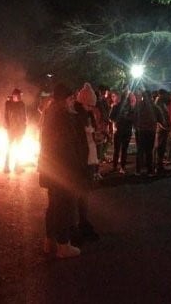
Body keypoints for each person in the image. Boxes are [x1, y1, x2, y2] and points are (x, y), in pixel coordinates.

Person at [38, 83, 87, 258]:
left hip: (51, 167)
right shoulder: (63, 117)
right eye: (71, 98)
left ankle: (49, 242)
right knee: (64, 206)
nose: (73, 101)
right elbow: (68, 147)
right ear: (65, 99)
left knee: (53, 206)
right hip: (62, 168)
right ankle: (63, 245)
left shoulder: (50, 113)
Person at [74, 82, 100, 242]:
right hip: (83, 161)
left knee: (84, 193)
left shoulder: (86, 114)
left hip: (88, 159)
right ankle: (80, 223)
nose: (91, 108)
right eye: (90, 105)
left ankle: (83, 221)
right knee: (81, 192)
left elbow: (90, 136)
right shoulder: (77, 116)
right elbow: (79, 141)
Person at [134, 90, 159, 175]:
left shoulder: (138, 106)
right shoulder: (154, 106)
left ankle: (138, 170)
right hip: (151, 130)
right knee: (149, 151)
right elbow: (160, 117)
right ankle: (150, 171)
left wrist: (136, 126)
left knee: (140, 150)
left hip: (140, 130)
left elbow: (134, 116)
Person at [109, 89, 134, 174]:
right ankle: (121, 167)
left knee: (118, 149)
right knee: (123, 149)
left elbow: (111, 117)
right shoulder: (129, 107)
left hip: (120, 130)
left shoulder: (117, 106)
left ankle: (115, 167)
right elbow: (111, 117)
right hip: (124, 130)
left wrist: (117, 120)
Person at [3, 87, 28, 173]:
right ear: (14, 95)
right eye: (18, 95)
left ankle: (17, 166)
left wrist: (24, 127)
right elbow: (6, 116)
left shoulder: (22, 104)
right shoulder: (8, 103)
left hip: (19, 130)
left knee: (18, 148)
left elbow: (24, 117)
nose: (20, 97)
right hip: (11, 130)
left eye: (20, 96)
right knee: (9, 148)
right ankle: (6, 166)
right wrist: (7, 127)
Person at [153, 89, 170, 174]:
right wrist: (163, 126)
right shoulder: (158, 104)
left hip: (163, 128)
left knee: (161, 147)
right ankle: (157, 165)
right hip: (161, 129)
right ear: (161, 95)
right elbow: (158, 118)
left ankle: (159, 165)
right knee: (159, 147)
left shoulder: (161, 103)